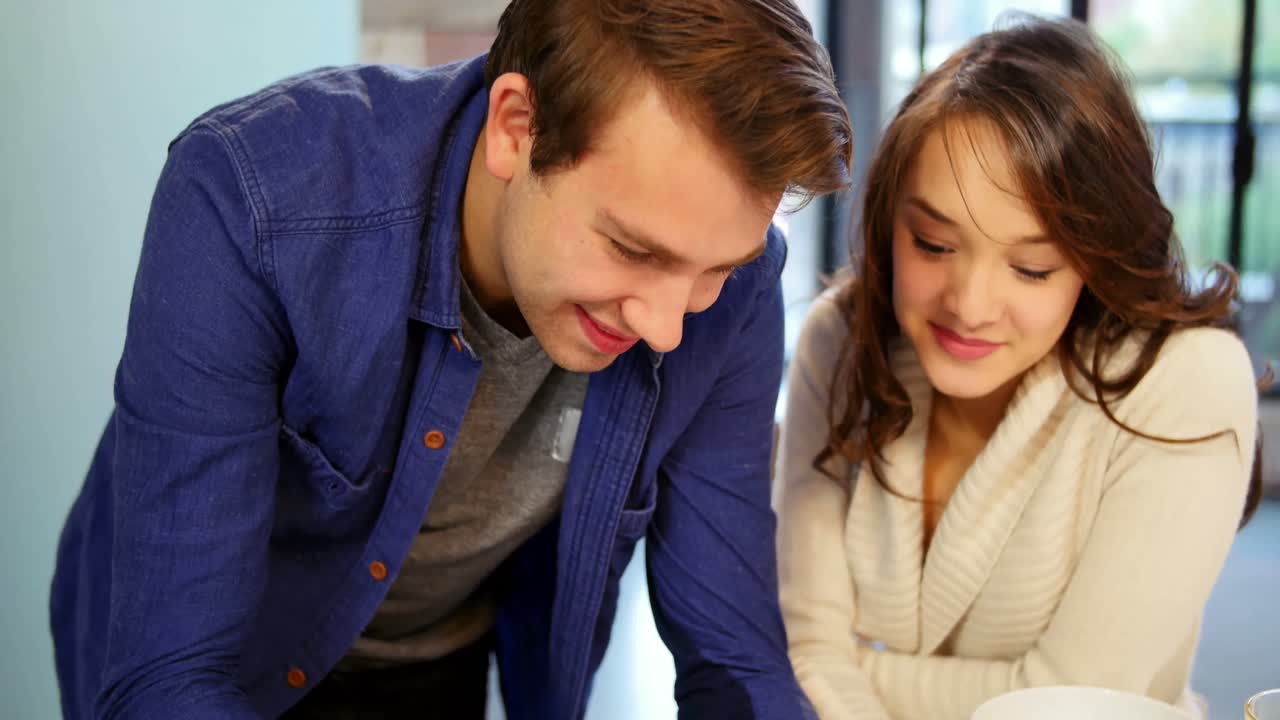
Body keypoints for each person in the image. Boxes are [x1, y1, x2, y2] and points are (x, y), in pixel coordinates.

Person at [50, 1, 853, 718]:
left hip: (435, 659)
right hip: (212, 666)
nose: (670, 327)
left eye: (715, 269)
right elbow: (172, 672)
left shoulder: (736, 297)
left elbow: (733, 658)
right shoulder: (250, 203)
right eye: (633, 249)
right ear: (517, 128)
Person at [775, 15, 1267, 720]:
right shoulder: (842, 339)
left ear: (1094, 259)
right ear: (890, 224)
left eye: (1032, 268)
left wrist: (852, 671)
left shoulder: (1187, 381)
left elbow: (1076, 701)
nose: (970, 306)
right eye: (933, 244)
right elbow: (808, 645)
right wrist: (827, 666)